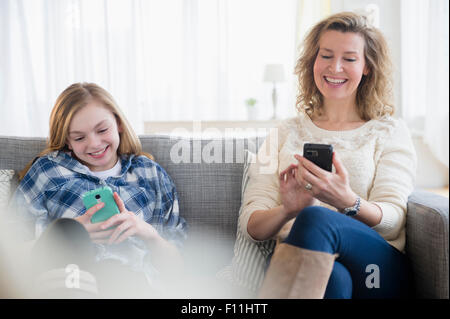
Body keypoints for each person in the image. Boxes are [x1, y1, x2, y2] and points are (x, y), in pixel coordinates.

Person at [239, 12, 416, 299]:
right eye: (326, 56)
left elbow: (394, 218)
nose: (335, 67)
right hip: (301, 266)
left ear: (367, 67)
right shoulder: (286, 131)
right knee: (331, 279)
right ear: (313, 62)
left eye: (349, 58)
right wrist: (289, 209)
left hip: (375, 269)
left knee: (316, 218)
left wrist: (347, 201)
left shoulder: (389, 131)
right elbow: (253, 227)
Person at [8, 82, 187, 297]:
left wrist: (147, 233)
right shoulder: (47, 171)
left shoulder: (150, 173)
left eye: (102, 130)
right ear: (67, 139)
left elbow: (180, 268)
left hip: (134, 285)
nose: (94, 144)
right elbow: (10, 253)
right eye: (79, 137)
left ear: (118, 123)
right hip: (70, 282)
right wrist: (67, 234)